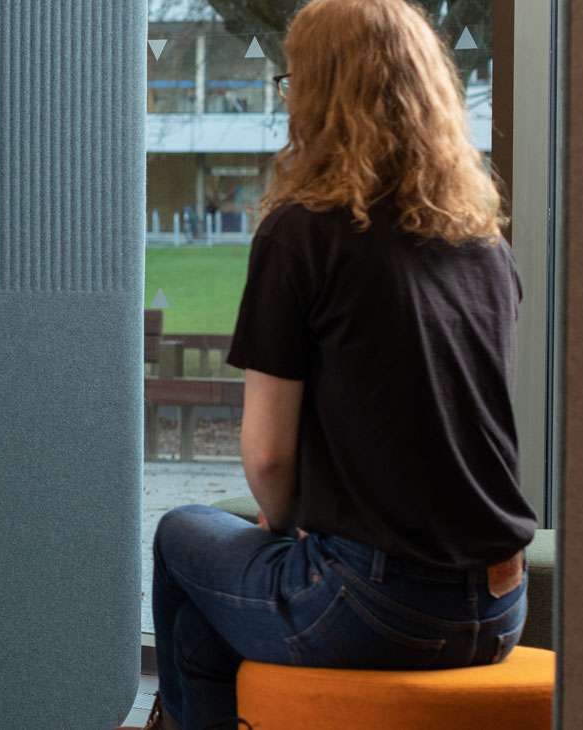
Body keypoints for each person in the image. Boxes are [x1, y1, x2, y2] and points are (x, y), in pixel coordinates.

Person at [117, 1, 537, 729]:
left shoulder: (302, 234)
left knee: (179, 530)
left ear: (316, 94)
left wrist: (294, 526)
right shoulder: (485, 248)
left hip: (375, 608)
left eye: (291, 83)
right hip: (502, 606)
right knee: (195, 637)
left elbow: (270, 459)